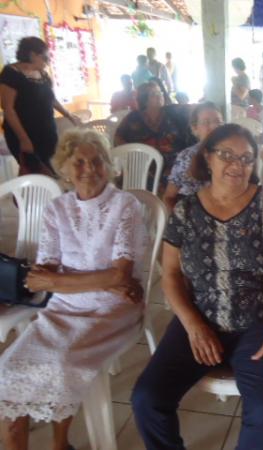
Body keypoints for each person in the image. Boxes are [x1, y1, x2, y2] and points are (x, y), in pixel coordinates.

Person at [131, 124, 263, 450]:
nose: (237, 165)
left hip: (260, 321)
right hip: (200, 315)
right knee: (146, 399)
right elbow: (171, 274)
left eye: (247, 159)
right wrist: (192, 326)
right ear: (207, 157)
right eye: (227, 155)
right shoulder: (186, 210)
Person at [0, 129, 146, 450]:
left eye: (97, 162)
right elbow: (45, 269)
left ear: (109, 166)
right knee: (8, 370)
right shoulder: (57, 209)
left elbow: (118, 274)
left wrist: (57, 282)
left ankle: (60, 444)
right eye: (79, 162)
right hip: (63, 308)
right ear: (64, 168)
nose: (89, 169)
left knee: (63, 361)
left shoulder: (126, 205)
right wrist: (104, 279)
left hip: (110, 309)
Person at [0, 37, 79, 176]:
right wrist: (24, 139)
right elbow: (8, 109)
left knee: (49, 167)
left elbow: (51, 99)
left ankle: (47, 195)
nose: (47, 61)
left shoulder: (42, 74)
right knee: (33, 170)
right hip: (23, 133)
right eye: (45, 57)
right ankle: (31, 196)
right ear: (32, 55)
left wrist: (68, 114)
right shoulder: (11, 73)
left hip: (47, 131)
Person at [114, 81, 190, 190]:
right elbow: (118, 137)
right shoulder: (133, 118)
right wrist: (129, 158)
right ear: (144, 99)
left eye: (160, 93)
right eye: (154, 94)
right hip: (144, 167)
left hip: (173, 165)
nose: (159, 96)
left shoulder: (173, 112)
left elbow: (193, 111)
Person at [163, 102, 224, 211]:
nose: (214, 126)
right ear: (195, 129)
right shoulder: (186, 157)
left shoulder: (232, 155)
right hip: (190, 216)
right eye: (206, 122)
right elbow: (169, 197)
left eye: (218, 122)